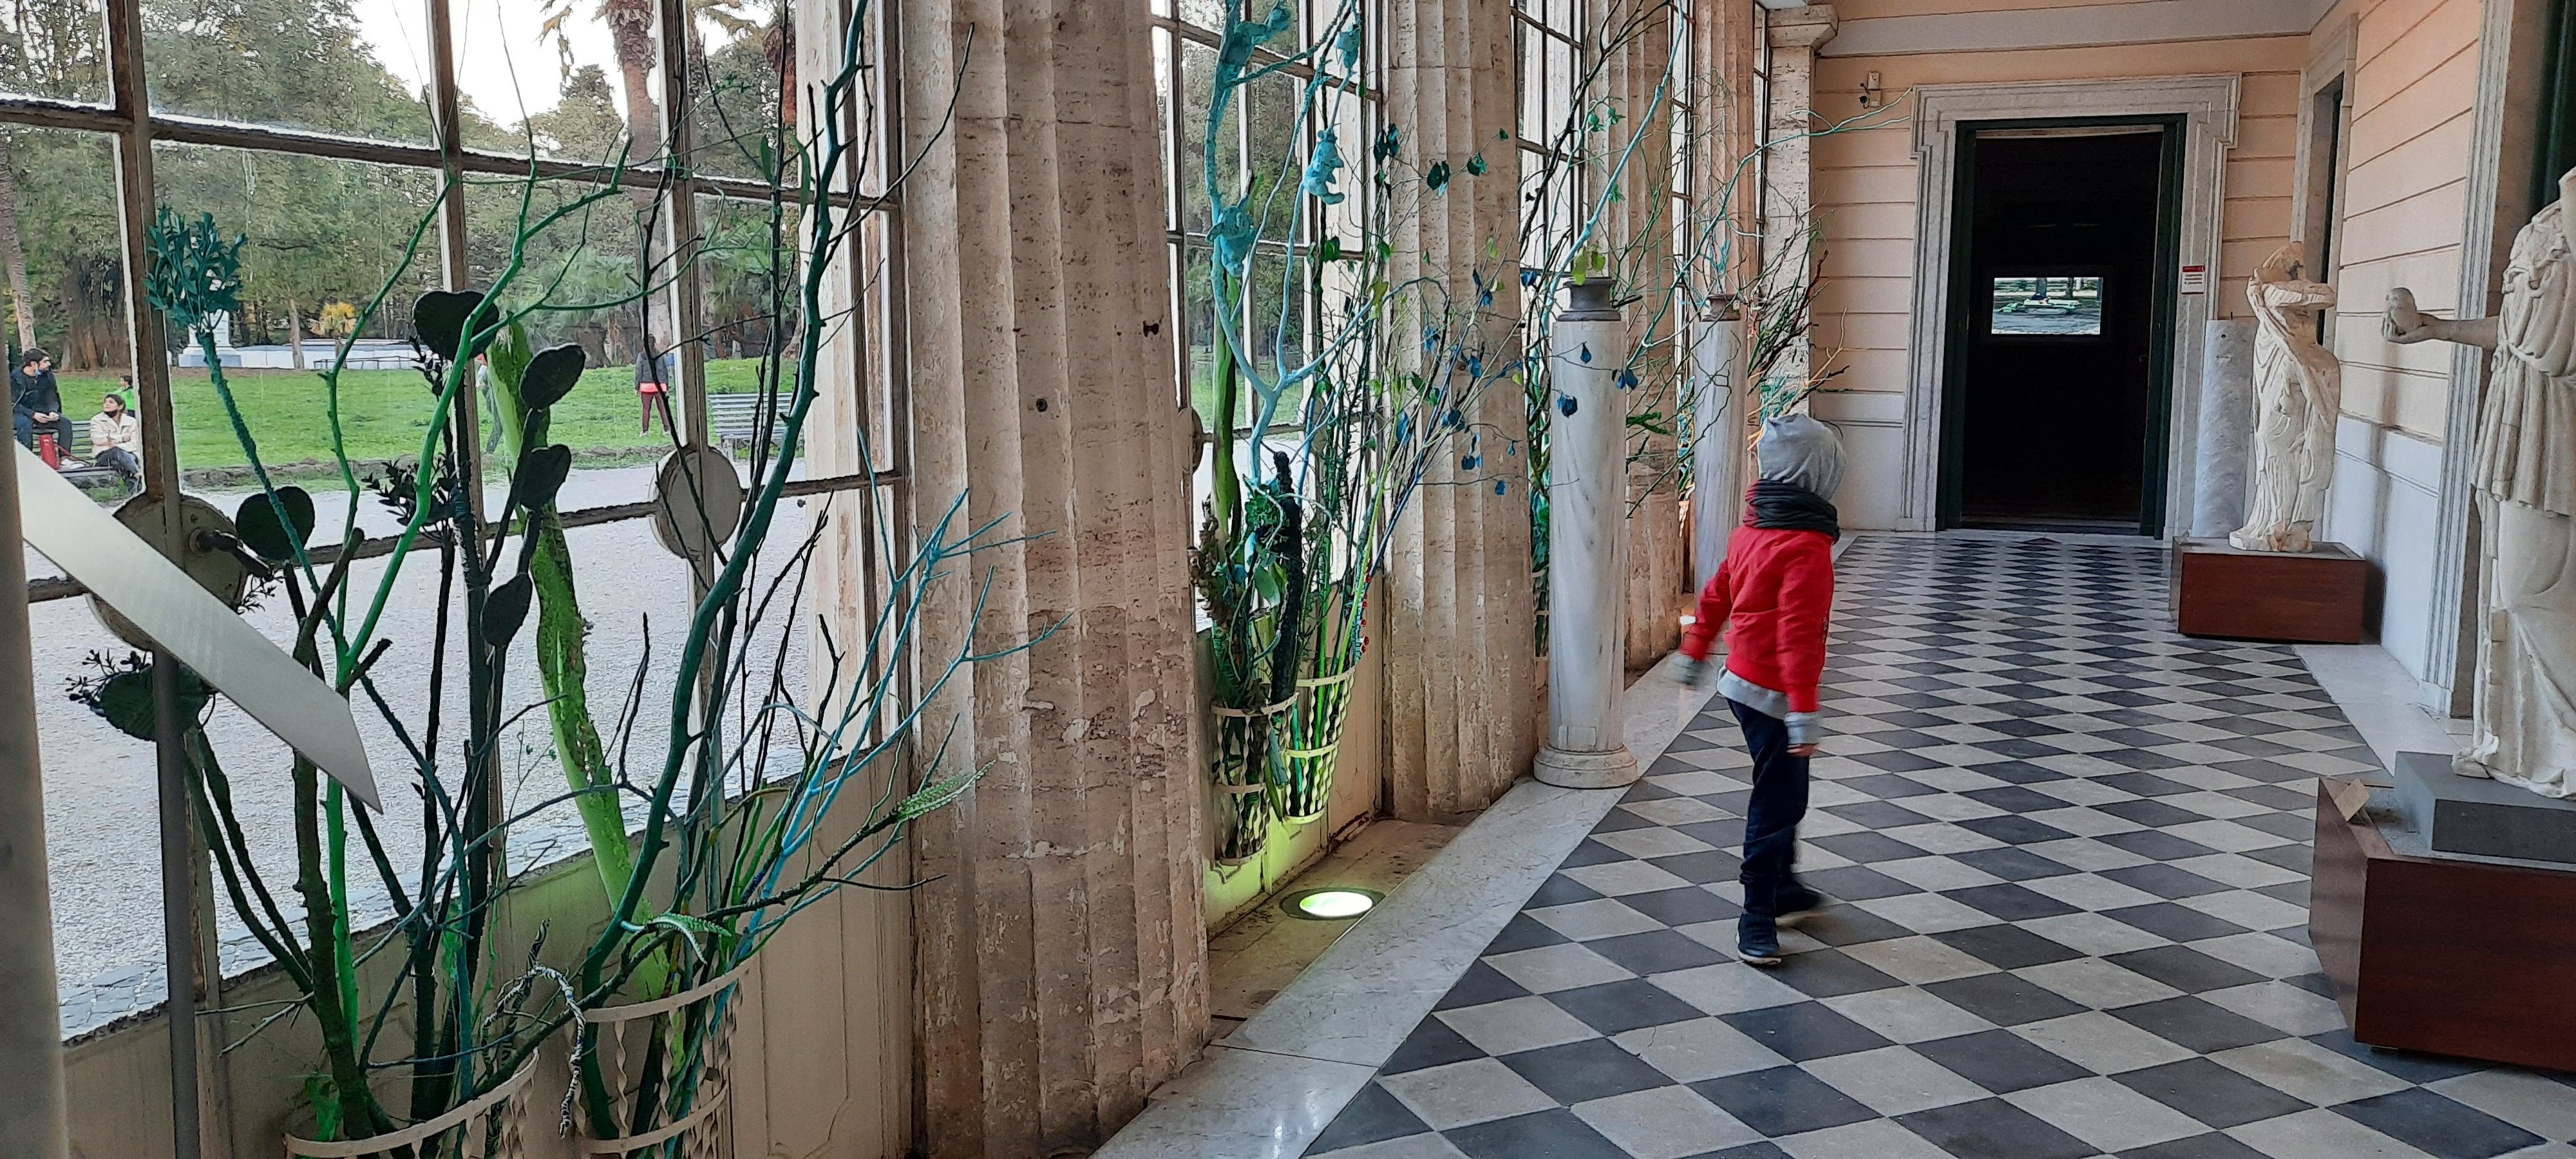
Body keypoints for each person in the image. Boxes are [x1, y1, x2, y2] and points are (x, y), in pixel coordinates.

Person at [1676, 413, 1845, 966]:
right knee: (1777, 804)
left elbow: (1716, 593)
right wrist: (1803, 712)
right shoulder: (1806, 546)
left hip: (1741, 685)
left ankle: (1786, 889)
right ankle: (1756, 915)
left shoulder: (1752, 530)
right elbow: (1797, 634)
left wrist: (1695, 651)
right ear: (1818, 476)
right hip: (1774, 695)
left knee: (1783, 792)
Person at [12, 348, 70, 458]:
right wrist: (33, 415)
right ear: (34, 364)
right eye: (45, 361)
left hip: (43, 412)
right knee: (24, 424)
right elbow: (14, 404)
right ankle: (26, 459)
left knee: (65, 423)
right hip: (22, 413)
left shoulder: (47, 376)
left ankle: (65, 458)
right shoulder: (15, 378)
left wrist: (53, 411)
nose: (49, 364)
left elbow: (52, 397)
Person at [89, 391, 142, 492]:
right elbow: (97, 438)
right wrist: (122, 439)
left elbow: (136, 442)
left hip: (128, 455)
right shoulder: (97, 420)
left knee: (120, 462)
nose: (107, 404)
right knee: (116, 452)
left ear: (120, 406)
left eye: (111, 402)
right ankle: (137, 473)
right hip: (105, 455)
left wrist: (116, 444)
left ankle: (134, 492)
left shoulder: (131, 422)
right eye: (106, 402)